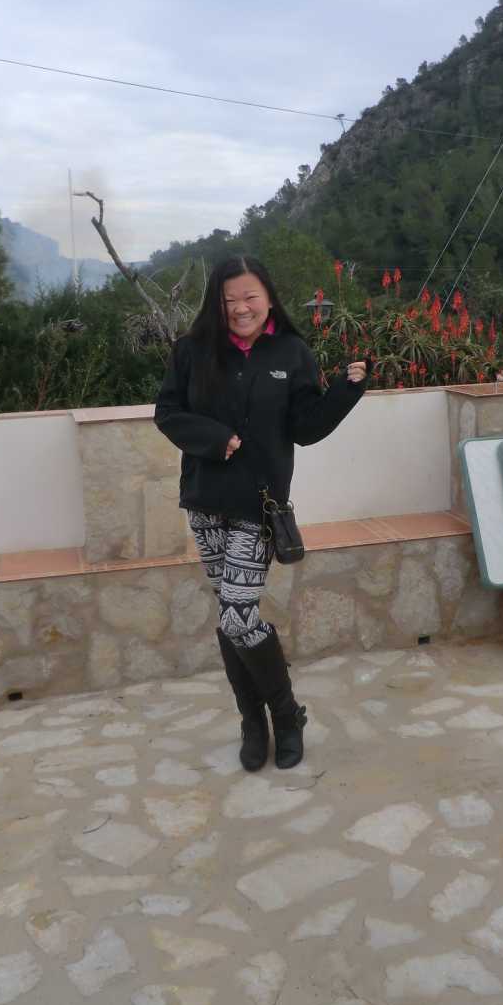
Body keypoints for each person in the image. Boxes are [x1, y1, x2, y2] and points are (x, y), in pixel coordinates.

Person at [156, 256, 368, 771]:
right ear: (217, 304)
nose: (240, 308)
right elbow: (168, 413)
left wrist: (347, 390)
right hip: (206, 502)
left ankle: (286, 715)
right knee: (233, 619)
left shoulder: (291, 352)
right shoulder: (192, 350)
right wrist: (216, 438)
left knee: (236, 614)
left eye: (249, 296)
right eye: (229, 300)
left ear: (269, 298)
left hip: (259, 505)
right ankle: (253, 722)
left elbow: (305, 427)